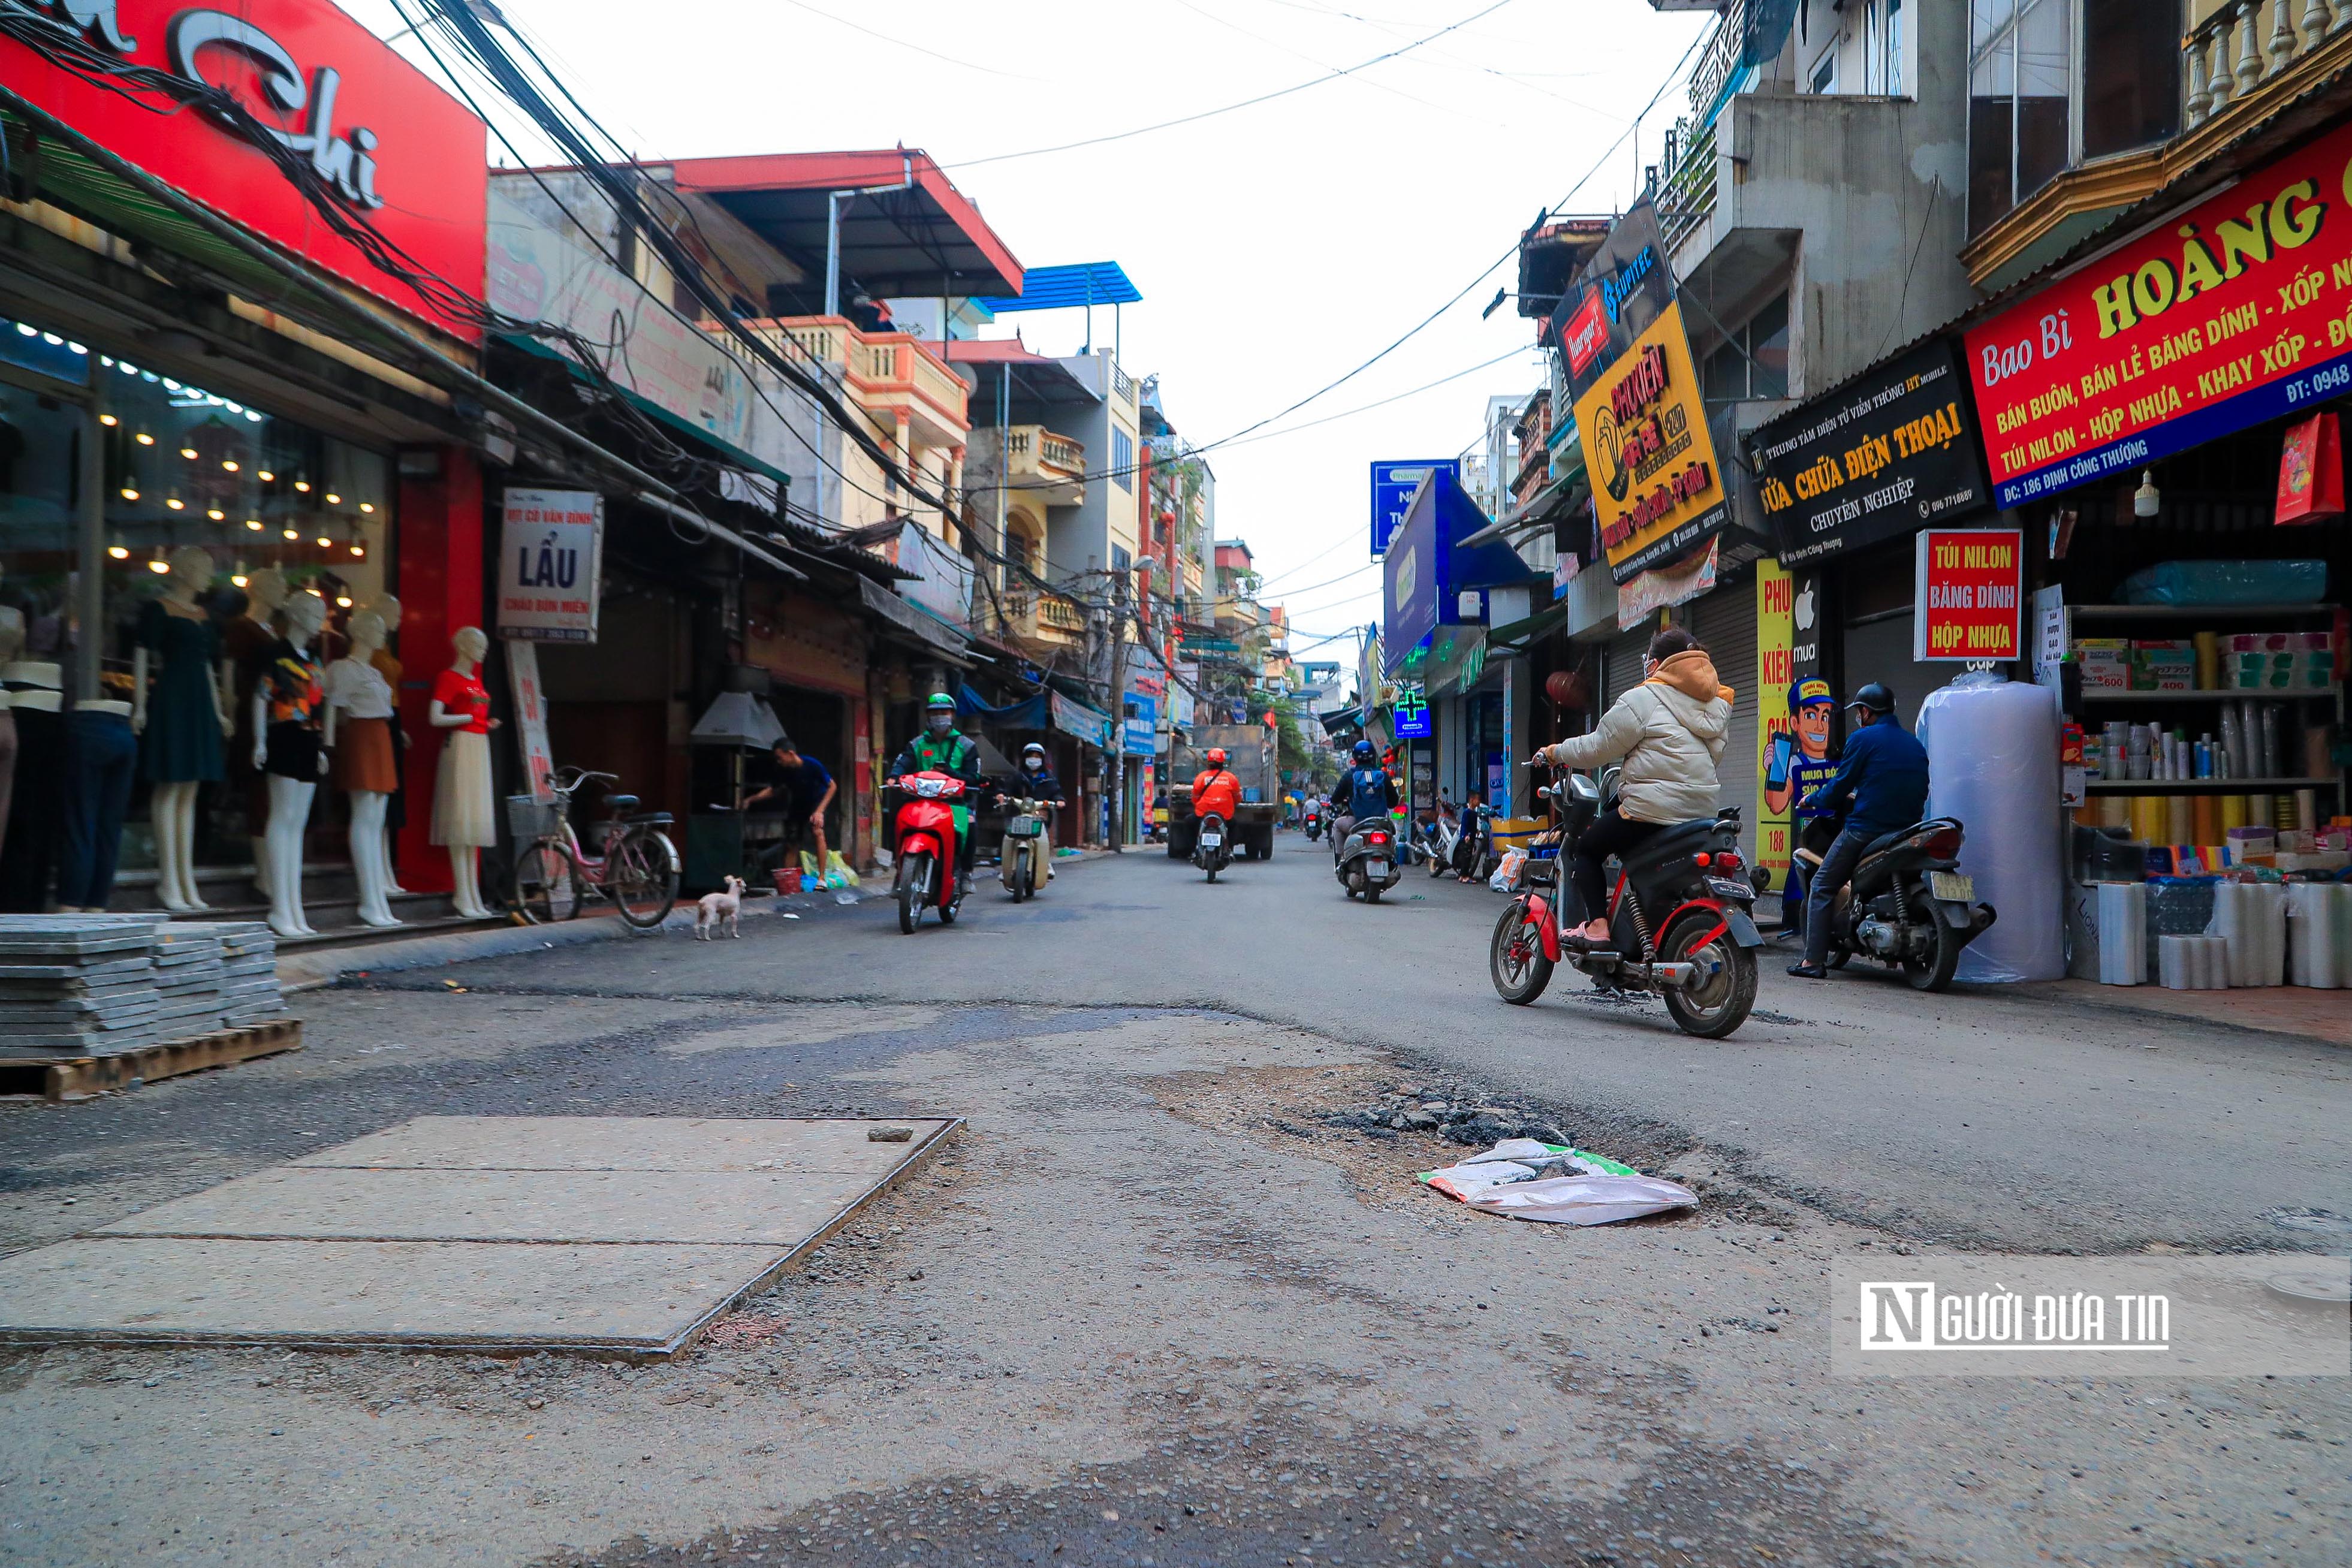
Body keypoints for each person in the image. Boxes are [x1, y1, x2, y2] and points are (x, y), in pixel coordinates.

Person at [1531, 625, 1733, 952]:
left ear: (1657, 664)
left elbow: (1598, 748)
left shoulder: (1645, 697)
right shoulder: (1715, 705)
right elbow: (1715, 756)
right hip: (1700, 814)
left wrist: (1555, 751)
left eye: (1648, 661)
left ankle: (1597, 927)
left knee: (1588, 850)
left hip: (1651, 811)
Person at [1787, 682, 1931, 979]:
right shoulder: (1914, 743)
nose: (1858, 717)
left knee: (1822, 886)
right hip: (1908, 832)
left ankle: (1812, 962)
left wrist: (1812, 798)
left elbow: (1840, 785)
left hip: (1866, 830)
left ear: (1866, 712)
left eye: (1859, 712)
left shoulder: (1862, 739)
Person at [889, 692, 987, 893]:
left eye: (944, 712)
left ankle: (966, 874)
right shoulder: (917, 744)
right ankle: (900, 872)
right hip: (920, 800)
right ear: (928, 717)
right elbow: (903, 763)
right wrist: (894, 776)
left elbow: (973, 777)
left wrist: (949, 773)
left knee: (970, 824)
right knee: (899, 820)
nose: (940, 716)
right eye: (935, 713)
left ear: (952, 715)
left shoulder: (967, 746)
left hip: (956, 802)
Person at [741, 734, 837, 878]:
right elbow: (774, 790)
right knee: (791, 843)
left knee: (817, 831)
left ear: (791, 754)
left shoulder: (812, 765)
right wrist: (751, 799)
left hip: (817, 802)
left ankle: (822, 878)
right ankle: (788, 880)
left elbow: (832, 786)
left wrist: (819, 812)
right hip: (798, 805)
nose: (779, 762)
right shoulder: (783, 771)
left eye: (780, 758)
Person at [997, 741, 1066, 881]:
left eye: (1037, 756)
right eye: (1030, 756)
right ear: (1025, 758)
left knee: (1043, 837)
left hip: (1041, 815)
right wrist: (1001, 795)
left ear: (1042, 759)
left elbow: (1056, 793)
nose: (1033, 759)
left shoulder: (1049, 779)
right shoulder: (1017, 777)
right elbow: (1006, 788)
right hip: (1019, 814)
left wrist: (1059, 801)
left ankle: (1046, 864)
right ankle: (1007, 867)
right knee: (1010, 838)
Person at [1329, 738, 1398, 851]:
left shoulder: (1349, 776)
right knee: (1393, 840)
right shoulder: (1383, 775)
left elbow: (1336, 799)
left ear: (1355, 757)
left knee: (1337, 825)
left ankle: (1341, 859)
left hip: (1356, 822)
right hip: (1380, 823)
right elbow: (1393, 802)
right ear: (1373, 755)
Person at [1190, 747, 1241, 834]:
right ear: (1223, 762)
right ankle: (1230, 846)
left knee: (1188, 823)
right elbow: (1237, 798)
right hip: (1225, 814)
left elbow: (1195, 798)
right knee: (1234, 825)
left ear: (1208, 762)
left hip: (1203, 812)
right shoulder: (1231, 778)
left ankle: (1192, 846)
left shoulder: (1201, 777)